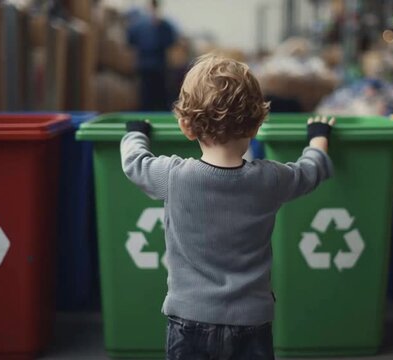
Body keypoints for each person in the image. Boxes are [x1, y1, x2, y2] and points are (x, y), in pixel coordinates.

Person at [120, 54, 335, 359]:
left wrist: (135, 133)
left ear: (186, 126)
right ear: (257, 124)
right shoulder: (270, 179)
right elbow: (309, 173)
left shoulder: (173, 176)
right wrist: (318, 141)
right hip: (252, 321)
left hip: (188, 320)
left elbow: (134, 162)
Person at [127, 0, 177, 111]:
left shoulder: (164, 25)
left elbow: (171, 42)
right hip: (146, 66)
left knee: (159, 97)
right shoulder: (139, 25)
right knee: (147, 97)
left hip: (158, 66)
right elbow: (131, 41)